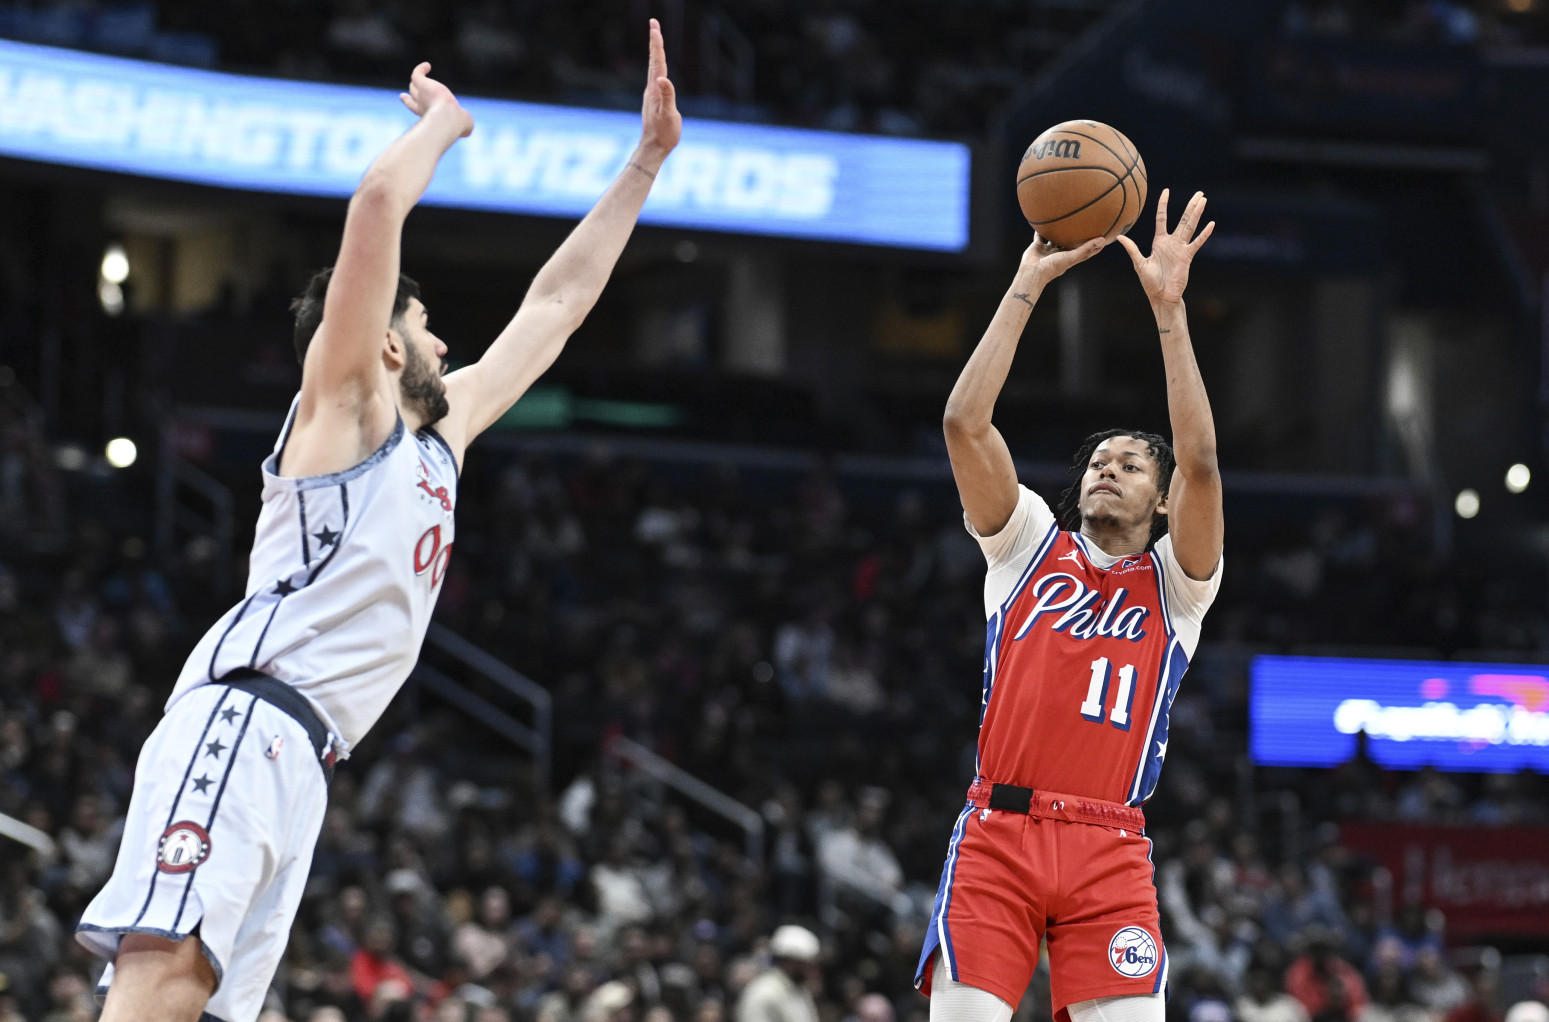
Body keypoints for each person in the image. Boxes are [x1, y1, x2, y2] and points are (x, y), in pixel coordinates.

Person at [73, 21, 682, 1022]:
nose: (444, 342)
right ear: (387, 347)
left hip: (307, 758)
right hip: (249, 717)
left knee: (202, 1003)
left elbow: (556, 305)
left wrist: (645, 164)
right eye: (426, 326)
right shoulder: (345, 411)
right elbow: (375, 204)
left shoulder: (444, 435)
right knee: (164, 974)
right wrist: (444, 123)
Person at [915, 191, 1225, 1022]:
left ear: (1163, 502)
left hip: (1108, 847)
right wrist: (1028, 281)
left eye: (1131, 464)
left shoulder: (1178, 584)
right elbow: (962, 422)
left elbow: (1199, 462)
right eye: (1097, 461)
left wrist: (1169, 312)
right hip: (997, 834)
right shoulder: (1024, 545)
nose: (1107, 468)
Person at [737, 926, 822, 1022]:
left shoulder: (800, 991)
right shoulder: (763, 992)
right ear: (791, 962)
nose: (813, 971)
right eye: (807, 964)